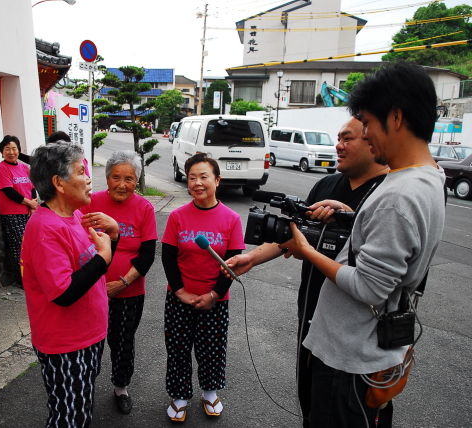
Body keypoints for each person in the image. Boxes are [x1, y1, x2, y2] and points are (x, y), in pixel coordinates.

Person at [280, 62, 446, 427]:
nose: (366, 135)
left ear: (397, 117)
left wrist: (306, 251)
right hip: (367, 356)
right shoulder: (429, 178)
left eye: (368, 123)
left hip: (348, 364)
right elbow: (396, 245)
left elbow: (369, 287)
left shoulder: (398, 196)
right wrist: (352, 217)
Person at [223, 117, 389, 426]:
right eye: (337, 138)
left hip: (357, 336)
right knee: (311, 401)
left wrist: (348, 218)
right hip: (313, 317)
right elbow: (295, 235)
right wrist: (252, 258)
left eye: (347, 138)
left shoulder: (386, 195)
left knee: (349, 412)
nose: (338, 145)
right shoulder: (325, 184)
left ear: (373, 140)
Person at [21, 143, 119, 428]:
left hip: (88, 336)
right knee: (69, 418)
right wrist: (103, 255)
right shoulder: (44, 229)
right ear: (59, 183)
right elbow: (64, 293)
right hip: (66, 345)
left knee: (79, 410)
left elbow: (93, 270)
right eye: (80, 171)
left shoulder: (74, 216)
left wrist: (112, 238)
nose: (89, 178)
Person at [161, 153, 245, 422]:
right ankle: (180, 395)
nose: (197, 182)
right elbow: (167, 257)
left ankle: (210, 392)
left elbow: (232, 264)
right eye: (192, 177)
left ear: (217, 180)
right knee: (177, 348)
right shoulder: (176, 217)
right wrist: (180, 291)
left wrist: (214, 295)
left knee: (212, 349)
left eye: (203, 176)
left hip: (215, 300)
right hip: (179, 298)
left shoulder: (232, 219)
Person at [79, 150, 157, 414]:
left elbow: (147, 256)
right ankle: (84, 389)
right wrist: (97, 283)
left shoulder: (144, 208)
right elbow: (77, 243)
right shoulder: (90, 202)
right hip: (91, 290)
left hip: (129, 292)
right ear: (107, 177)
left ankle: (121, 388)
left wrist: (122, 282)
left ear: (136, 181)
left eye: (129, 178)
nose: (122, 184)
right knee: (89, 343)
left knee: (123, 342)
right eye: (116, 177)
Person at [0, 135, 37, 287]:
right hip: (12, 214)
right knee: (19, 247)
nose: (11, 152)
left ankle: (32, 277)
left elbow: (32, 188)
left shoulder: (24, 167)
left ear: (19, 150)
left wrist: (32, 205)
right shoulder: (1, 168)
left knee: (31, 246)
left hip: (28, 213)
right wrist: (29, 203)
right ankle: (22, 280)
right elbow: (8, 191)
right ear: (1, 151)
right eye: (7, 149)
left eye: (14, 148)